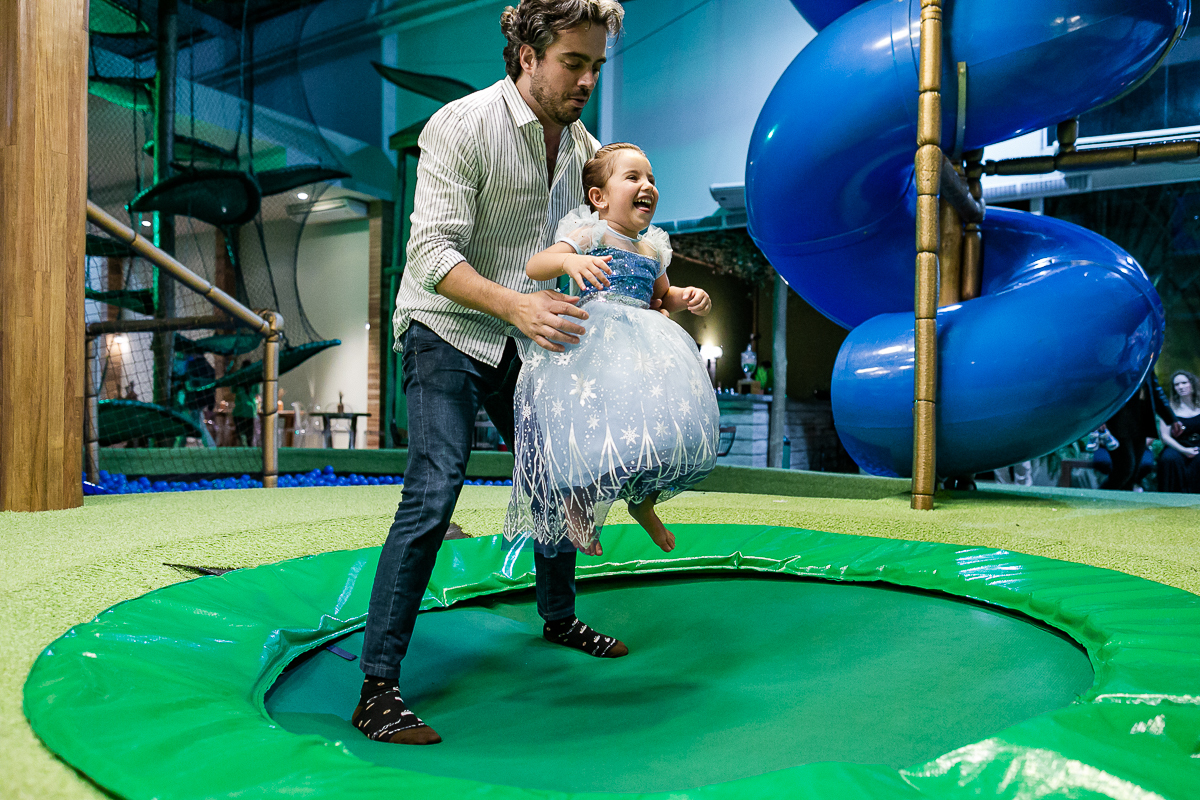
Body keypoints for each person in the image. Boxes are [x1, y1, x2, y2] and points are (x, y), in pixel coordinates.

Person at [354, 0, 627, 747]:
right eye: (573, 62)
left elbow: (601, 236)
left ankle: (559, 615)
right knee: (435, 484)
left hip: (521, 334)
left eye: (596, 65)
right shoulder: (462, 126)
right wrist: (517, 306)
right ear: (527, 55)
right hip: (448, 326)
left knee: (560, 472)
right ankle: (377, 686)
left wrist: (653, 289)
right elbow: (432, 256)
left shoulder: (582, 149)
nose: (586, 80)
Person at [504, 143, 717, 556]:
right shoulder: (593, 233)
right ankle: (577, 502)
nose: (647, 186)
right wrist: (569, 263)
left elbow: (661, 296)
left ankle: (642, 501)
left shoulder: (653, 248)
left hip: (642, 347)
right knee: (596, 435)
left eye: (651, 179)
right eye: (633, 177)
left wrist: (684, 296)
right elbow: (535, 266)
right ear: (599, 198)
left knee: (651, 435)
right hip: (595, 343)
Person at [1096, 373, 1179, 491]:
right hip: (1117, 421)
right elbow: (1103, 390)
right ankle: (1098, 497)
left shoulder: (1146, 359)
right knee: (1125, 468)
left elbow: (1155, 391)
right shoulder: (1120, 360)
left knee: (1133, 471)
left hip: (1141, 421)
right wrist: (1100, 418)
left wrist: (1171, 419)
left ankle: (1122, 505)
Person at [1157, 370, 1200, 492]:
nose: (1180, 387)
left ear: (1192, 384)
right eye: (1177, 385)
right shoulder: (1169, 408)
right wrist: (1184, 450)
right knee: (1169, 459)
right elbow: (1165, 436)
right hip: (1177, 446)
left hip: (1198, 444)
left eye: (1184, 383)